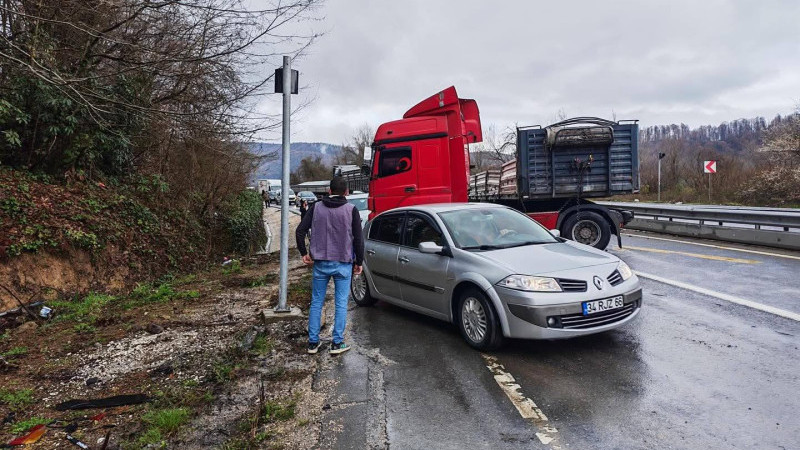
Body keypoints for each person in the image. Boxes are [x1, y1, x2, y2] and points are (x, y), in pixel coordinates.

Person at [295, 177, 363, 355]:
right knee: (341, 303)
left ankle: (312, 343)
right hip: (343, 264)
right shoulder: (351, 210)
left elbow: (300, 230)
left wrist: (304, 253)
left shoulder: (316, 207)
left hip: (320, 263)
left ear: (329, 190)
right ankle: (337, 343)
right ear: (346, 192)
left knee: (316, 302)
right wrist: (359, 262)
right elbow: (358, 239)